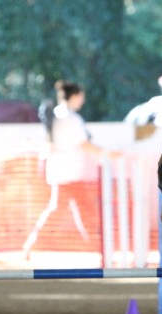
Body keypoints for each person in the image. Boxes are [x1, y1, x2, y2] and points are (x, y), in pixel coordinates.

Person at [23, 80, 108, 259]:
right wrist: (108, 153)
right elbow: (84, 144)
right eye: (82, 96)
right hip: (70, 175)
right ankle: (99, 249)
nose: (83, 100)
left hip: (61, 173)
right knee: (81, 212)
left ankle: (96, 248)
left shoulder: (56, 115)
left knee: (71, 211)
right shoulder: (72, 118)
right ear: (75, 96)